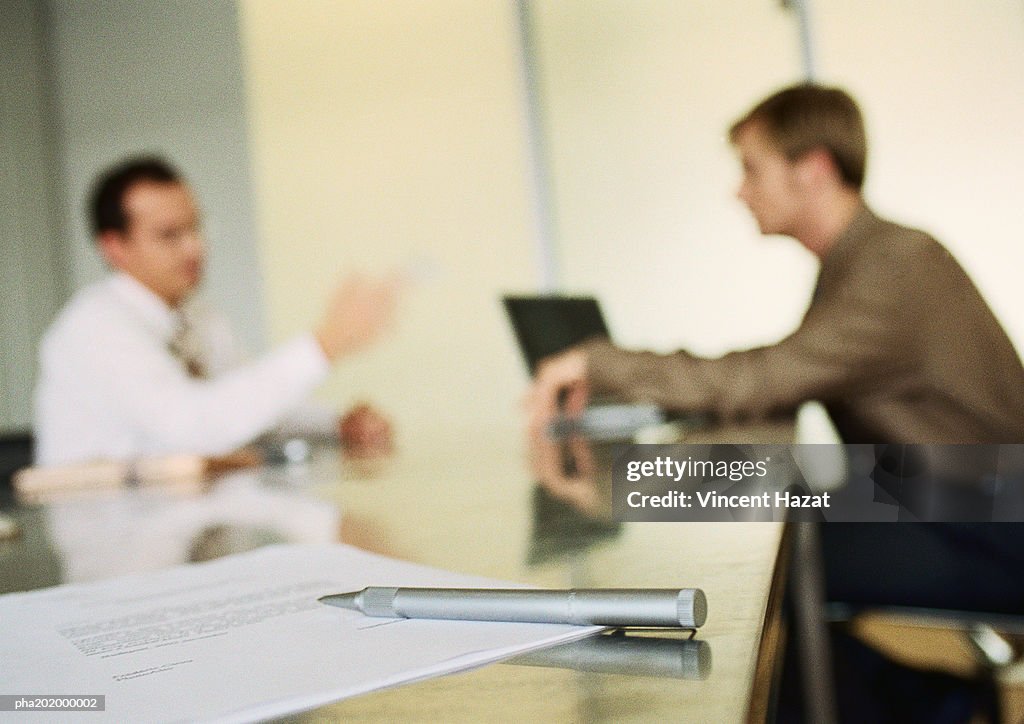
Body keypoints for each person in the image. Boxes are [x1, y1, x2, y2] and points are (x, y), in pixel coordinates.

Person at [527, 84, 1024, 615]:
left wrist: (596, 363)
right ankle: (918, 699)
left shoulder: (892, 266)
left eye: (751, 169)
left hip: (990, 530)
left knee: (761, 571)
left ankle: (921, 700)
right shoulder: (869, 258)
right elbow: (776, 380)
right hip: (951, 507)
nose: (739, 191)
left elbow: (763, 377)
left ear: (811, 169)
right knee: (767, 540)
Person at [34, 156, 398, 466]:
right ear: (114, 247)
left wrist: (335, 425)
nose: (194, 247)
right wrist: (324, 344)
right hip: (111, 535)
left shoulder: (198, 315)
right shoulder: (94, 329)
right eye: (170, 235)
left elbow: (242, 408)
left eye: (196, 227)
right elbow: (196, 430)